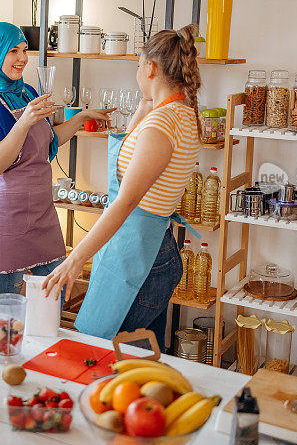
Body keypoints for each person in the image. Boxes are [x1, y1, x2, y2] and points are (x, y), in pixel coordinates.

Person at [43, 24, 203, 350]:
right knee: (136, 363)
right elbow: (133, 149)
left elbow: (125, 201)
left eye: (138, 66)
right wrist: (147, 103)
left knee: (95, 352)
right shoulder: (182, 114)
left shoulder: (162, 125)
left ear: (151, 68)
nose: (136, 74)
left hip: (140, 260)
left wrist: (75, 260)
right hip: (148, 249)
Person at [0, 22, 112, 296]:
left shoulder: (27, 92)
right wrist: (25, 122)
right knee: (9, 304)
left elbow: (47, 142)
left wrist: (80, 119)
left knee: (54, 291)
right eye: (12, 51)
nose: (22, 58)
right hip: (6, 215)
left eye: (24, 50)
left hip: (42, 213)